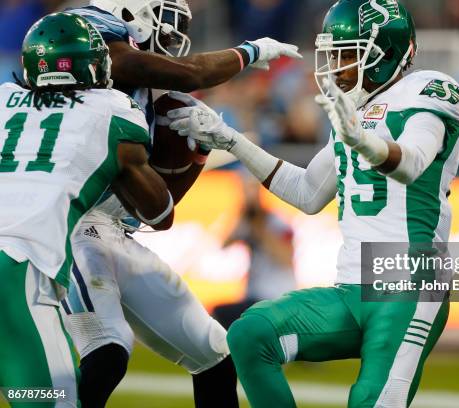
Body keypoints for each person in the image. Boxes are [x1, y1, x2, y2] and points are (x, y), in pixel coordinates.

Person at [170, 0, 459, 406]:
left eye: (350, 54)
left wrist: (363, 140)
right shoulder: (353, 111)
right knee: (249, 335)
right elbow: (308, 193)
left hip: (409, 286)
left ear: (388, 54)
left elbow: (411, 163)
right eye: (335, 53)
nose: (338, 66)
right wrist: (232, 140)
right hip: (351, 289)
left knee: (369, 400)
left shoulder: (427, 90)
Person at [59, 1, 302, 407]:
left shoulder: (142, 96)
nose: (170, 36)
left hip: (109, 228)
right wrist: (251, 52)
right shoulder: (93, 43)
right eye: (163, 19)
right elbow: (192, 73)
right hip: (67, 217)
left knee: (214, 353)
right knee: (106, 350)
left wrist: (197, 153)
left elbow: (159, 215)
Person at [0, 12, 174, 407]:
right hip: (15, 273)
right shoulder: (112, 110)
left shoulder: (2, 100)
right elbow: (160, 214)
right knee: (54, 401)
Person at [213, 174, 295, 330]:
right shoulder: (246, 221)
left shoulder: (276, 221)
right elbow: (223, 244)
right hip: (255, 295)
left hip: (276, 295)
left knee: (221, 315)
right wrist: (242, 217)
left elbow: (286, 259)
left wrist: (260, 228)